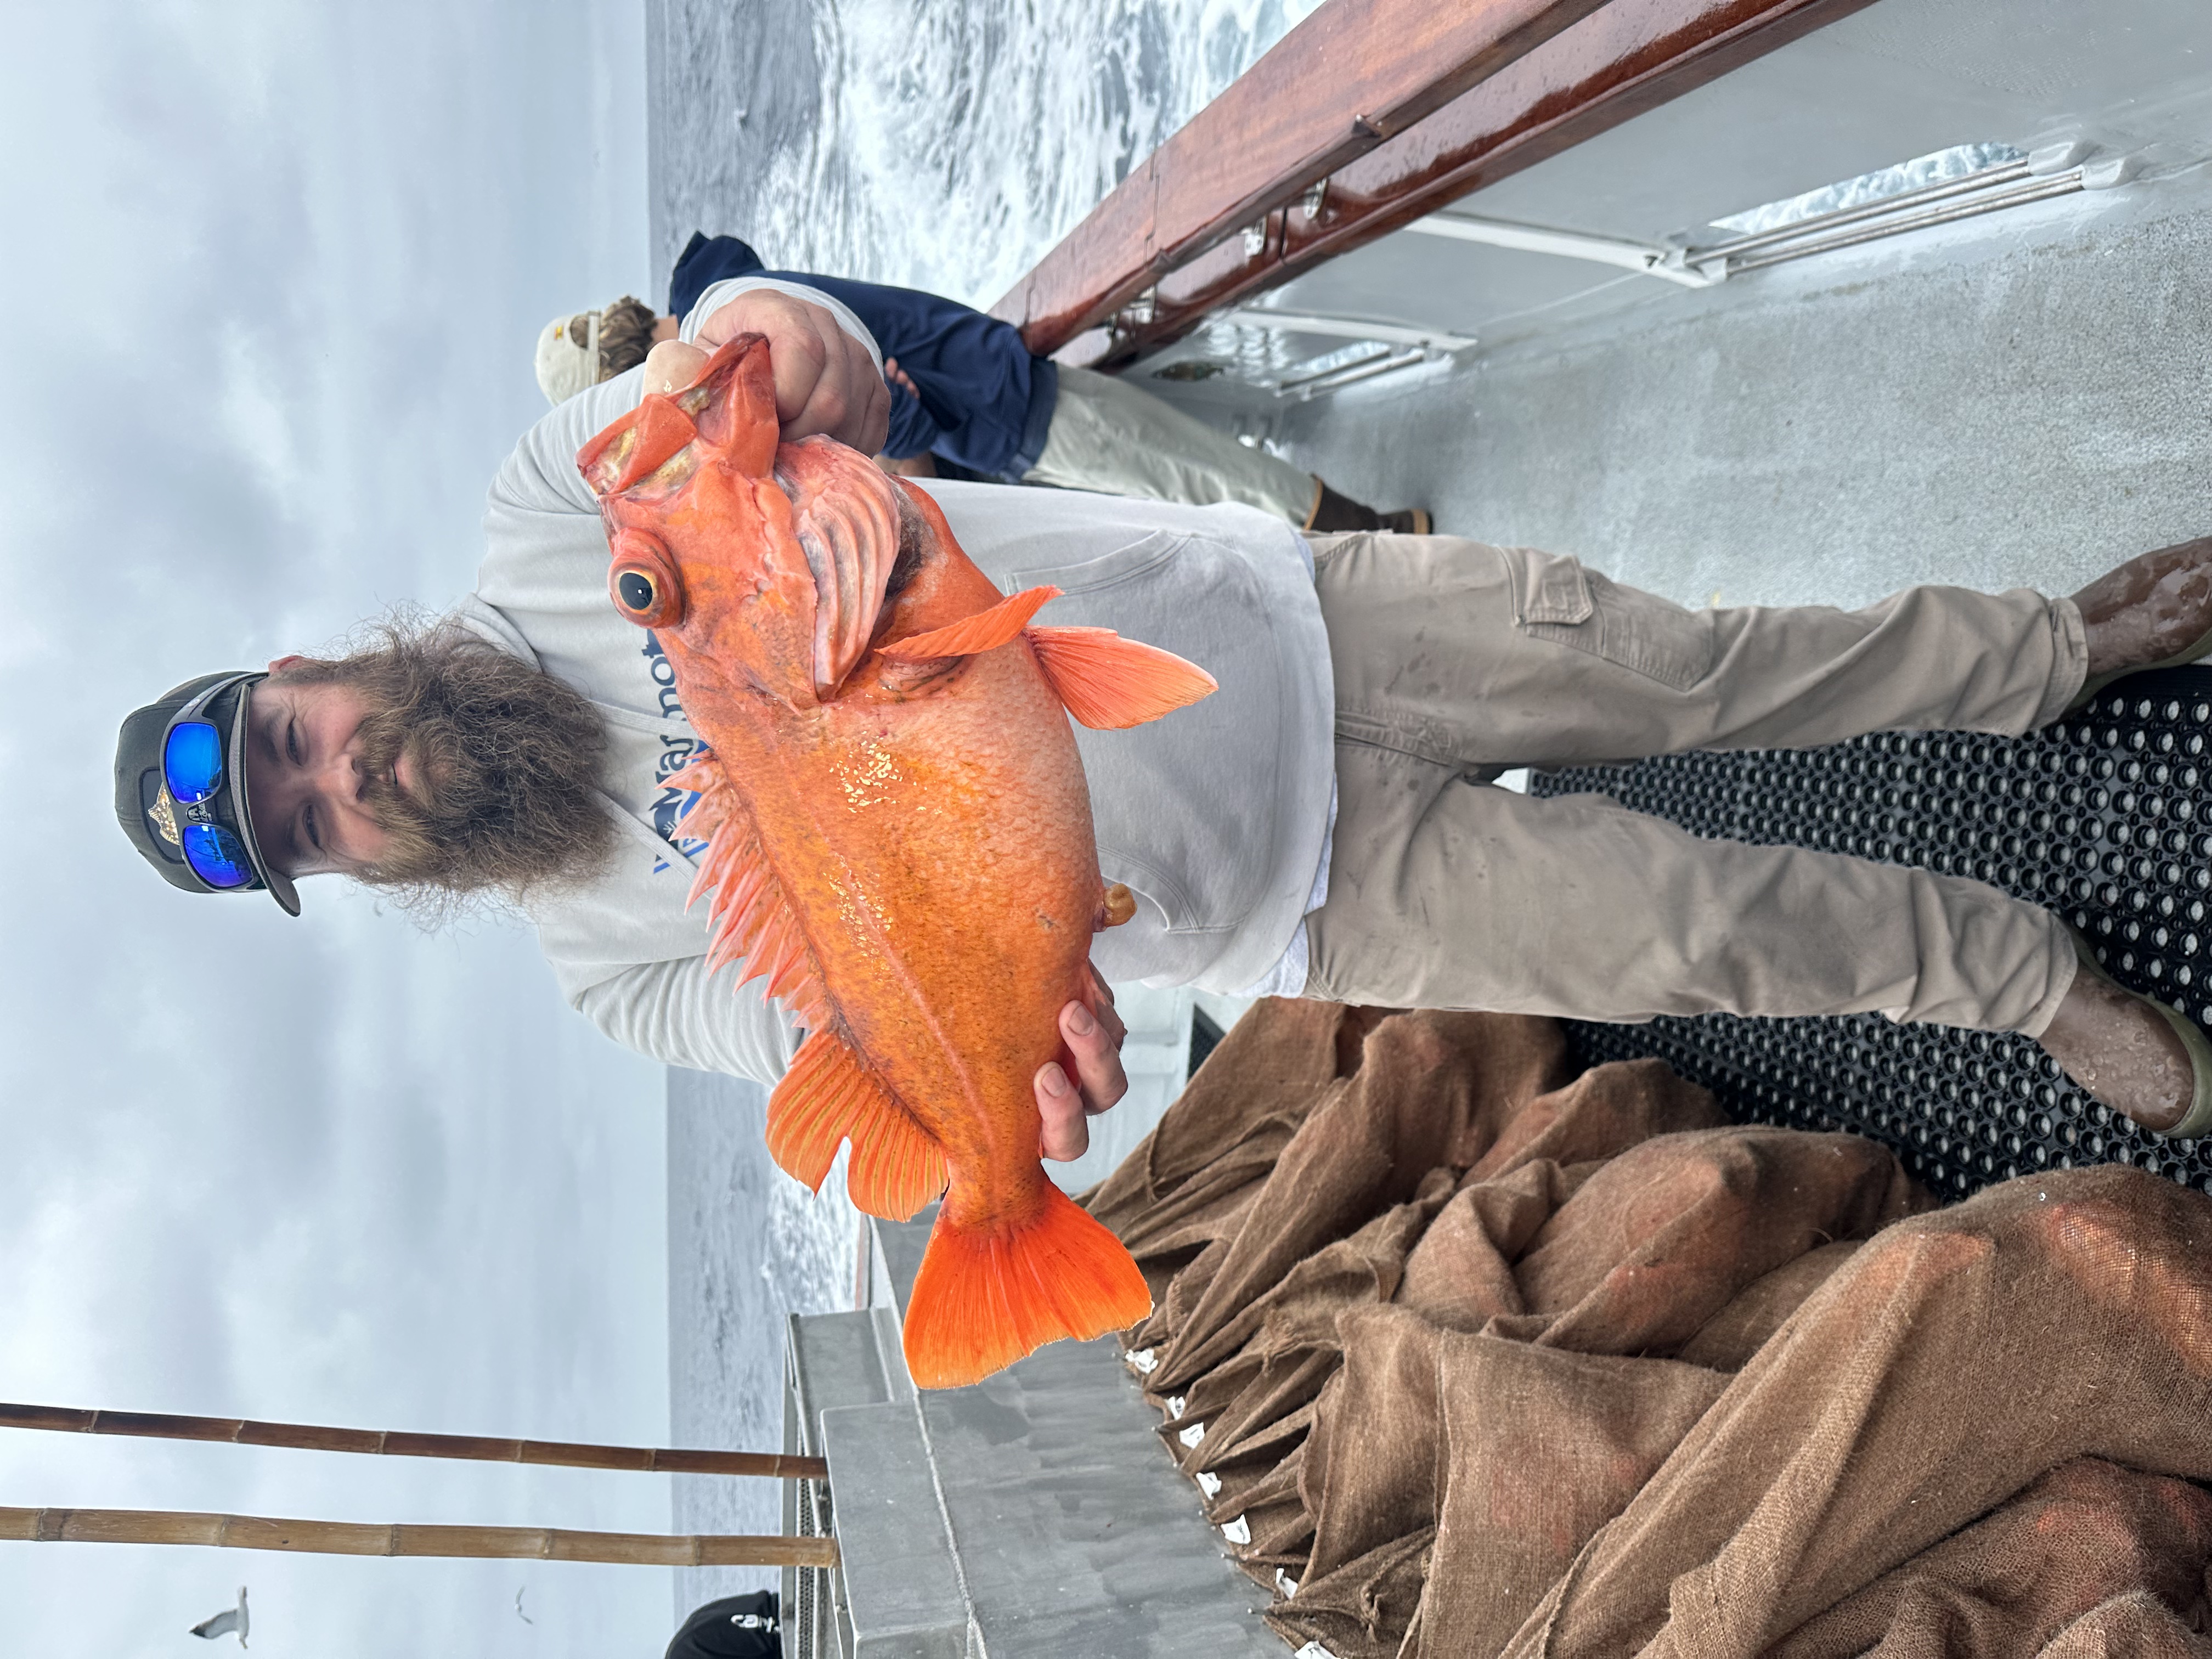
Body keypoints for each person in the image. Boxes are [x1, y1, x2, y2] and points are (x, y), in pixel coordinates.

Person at [115, 278, 2212, 1155]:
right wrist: (982, 1111)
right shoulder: (609, 971)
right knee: (1700, 934)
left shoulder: (553, 515)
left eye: (291, 741)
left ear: (313, 666)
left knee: (1720, 667)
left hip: (1293, 622)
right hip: (1295, 900)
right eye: (309, 827)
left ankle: (2050, 649)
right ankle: (2020, 979)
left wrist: (778, 334)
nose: (341, 781)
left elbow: (767, 354)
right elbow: (846, 1056)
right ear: (356, 874)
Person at [534, 232, 1430, 534]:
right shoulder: (722, 289)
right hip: (989, 409)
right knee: (1182, 485)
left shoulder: (718, 323)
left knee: (1197, 475)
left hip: (1000, 404)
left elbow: (895, 415)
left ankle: (1387, 537)